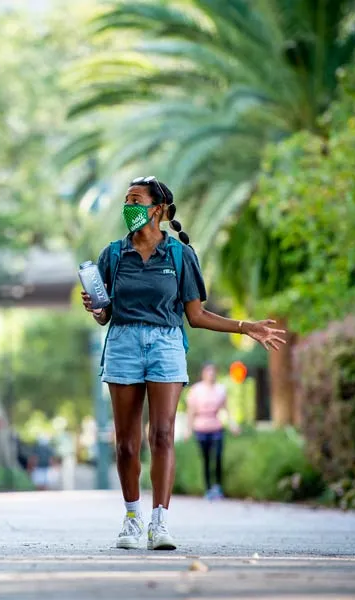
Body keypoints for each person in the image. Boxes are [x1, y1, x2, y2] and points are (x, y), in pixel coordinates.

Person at [81, 176, 286, 551]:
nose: (130, 207)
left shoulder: (179, 256)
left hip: (166, 344)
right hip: (123, 342)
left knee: (161, 435)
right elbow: (105, 314)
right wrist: (96, 309)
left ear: (157, 209)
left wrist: (246, 327)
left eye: (136, 200)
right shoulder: (113, 254)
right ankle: (131, 519)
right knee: (126, 445)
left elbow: (197, 315)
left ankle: (159, 523)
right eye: (127, 200)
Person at [185, 363, 239, 500]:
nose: (211, 375)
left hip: (216, 427)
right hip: (201, 428)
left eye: (213, 372)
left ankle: (218, 487)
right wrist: (188, 429)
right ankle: (208, 488)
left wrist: (232, 424)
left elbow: (226, 409)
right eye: (208, 372)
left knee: (218, 457)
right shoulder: (196, 390)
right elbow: (191, 411)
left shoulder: (221, 389)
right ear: (203, 374)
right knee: (206, 459)